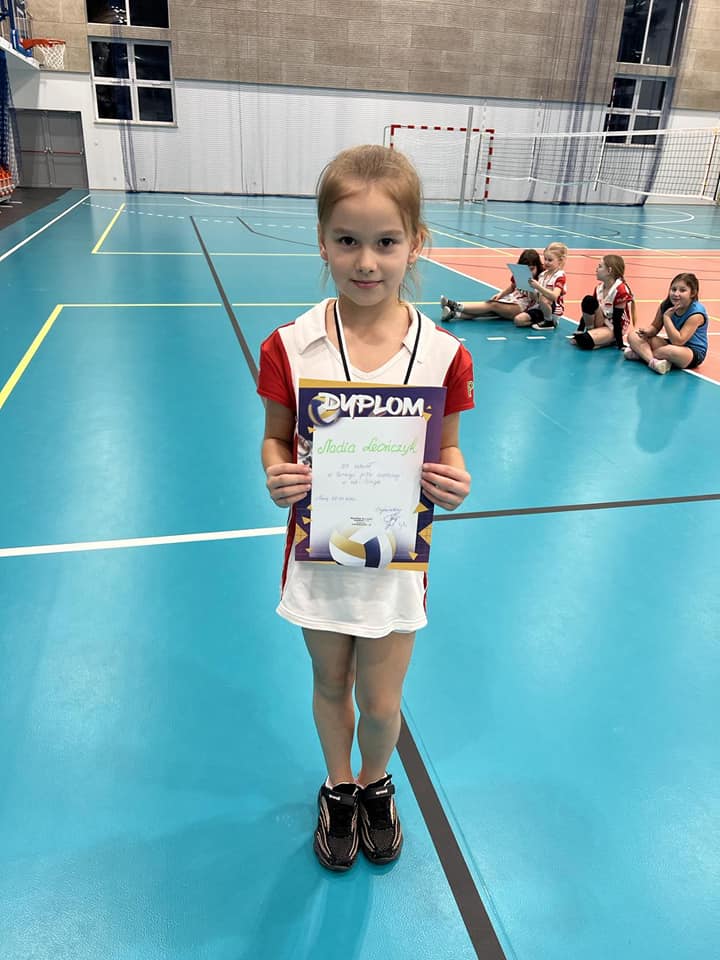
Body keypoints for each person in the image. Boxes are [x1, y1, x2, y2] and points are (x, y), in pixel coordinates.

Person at [257, 145, 474, 872]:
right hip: (318, 559)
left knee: (381, 702)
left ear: (416, 243)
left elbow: (450, 450)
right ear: (322, 241)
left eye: (386, 242)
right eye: (347, 240)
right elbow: (275, 438)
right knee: (330, 684)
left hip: (394, 565)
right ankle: (338, 787)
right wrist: (277, 473)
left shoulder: (443, 354)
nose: (367, 261)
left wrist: (455, 480)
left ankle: (376, 783)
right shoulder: (290, 345)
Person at [625, 272, 708, 374]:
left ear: (693, 293)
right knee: (633, 335)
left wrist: (667, 317)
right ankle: (653, 361)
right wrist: (647, 332)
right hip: (670, 344)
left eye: (682, 290)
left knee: (670, 351)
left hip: (691, 352)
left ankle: (641, 354)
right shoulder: (666, 305)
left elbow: (678, 341)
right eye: (673, 289)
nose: (676, 294)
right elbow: (655, 327)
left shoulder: (696, 313)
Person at [439, 248, 544, 325]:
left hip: (523, 307)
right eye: (527, 269)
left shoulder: (541, 277)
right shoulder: (520, 273)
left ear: (537, 266)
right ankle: (454, 314)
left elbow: (536, 299)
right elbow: (512, 287)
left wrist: (530, 287)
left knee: (492, 305)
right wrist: (500, 294)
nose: (529, 272)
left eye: (532, 269)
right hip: (513, 299)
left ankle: (455, 305)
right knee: (488, 310)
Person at [570, 254, 634, 350]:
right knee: (588, 300)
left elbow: (617, 320)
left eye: (600, 266)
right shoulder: (599, 288)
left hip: (614, 327)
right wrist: (580, 329)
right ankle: (590, 332)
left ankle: (609, 340)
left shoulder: (620, 290)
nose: (596, 269)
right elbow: (589, 309)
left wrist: (620, 344)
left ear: (609, 271)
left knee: (584, 341)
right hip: (602, 320)